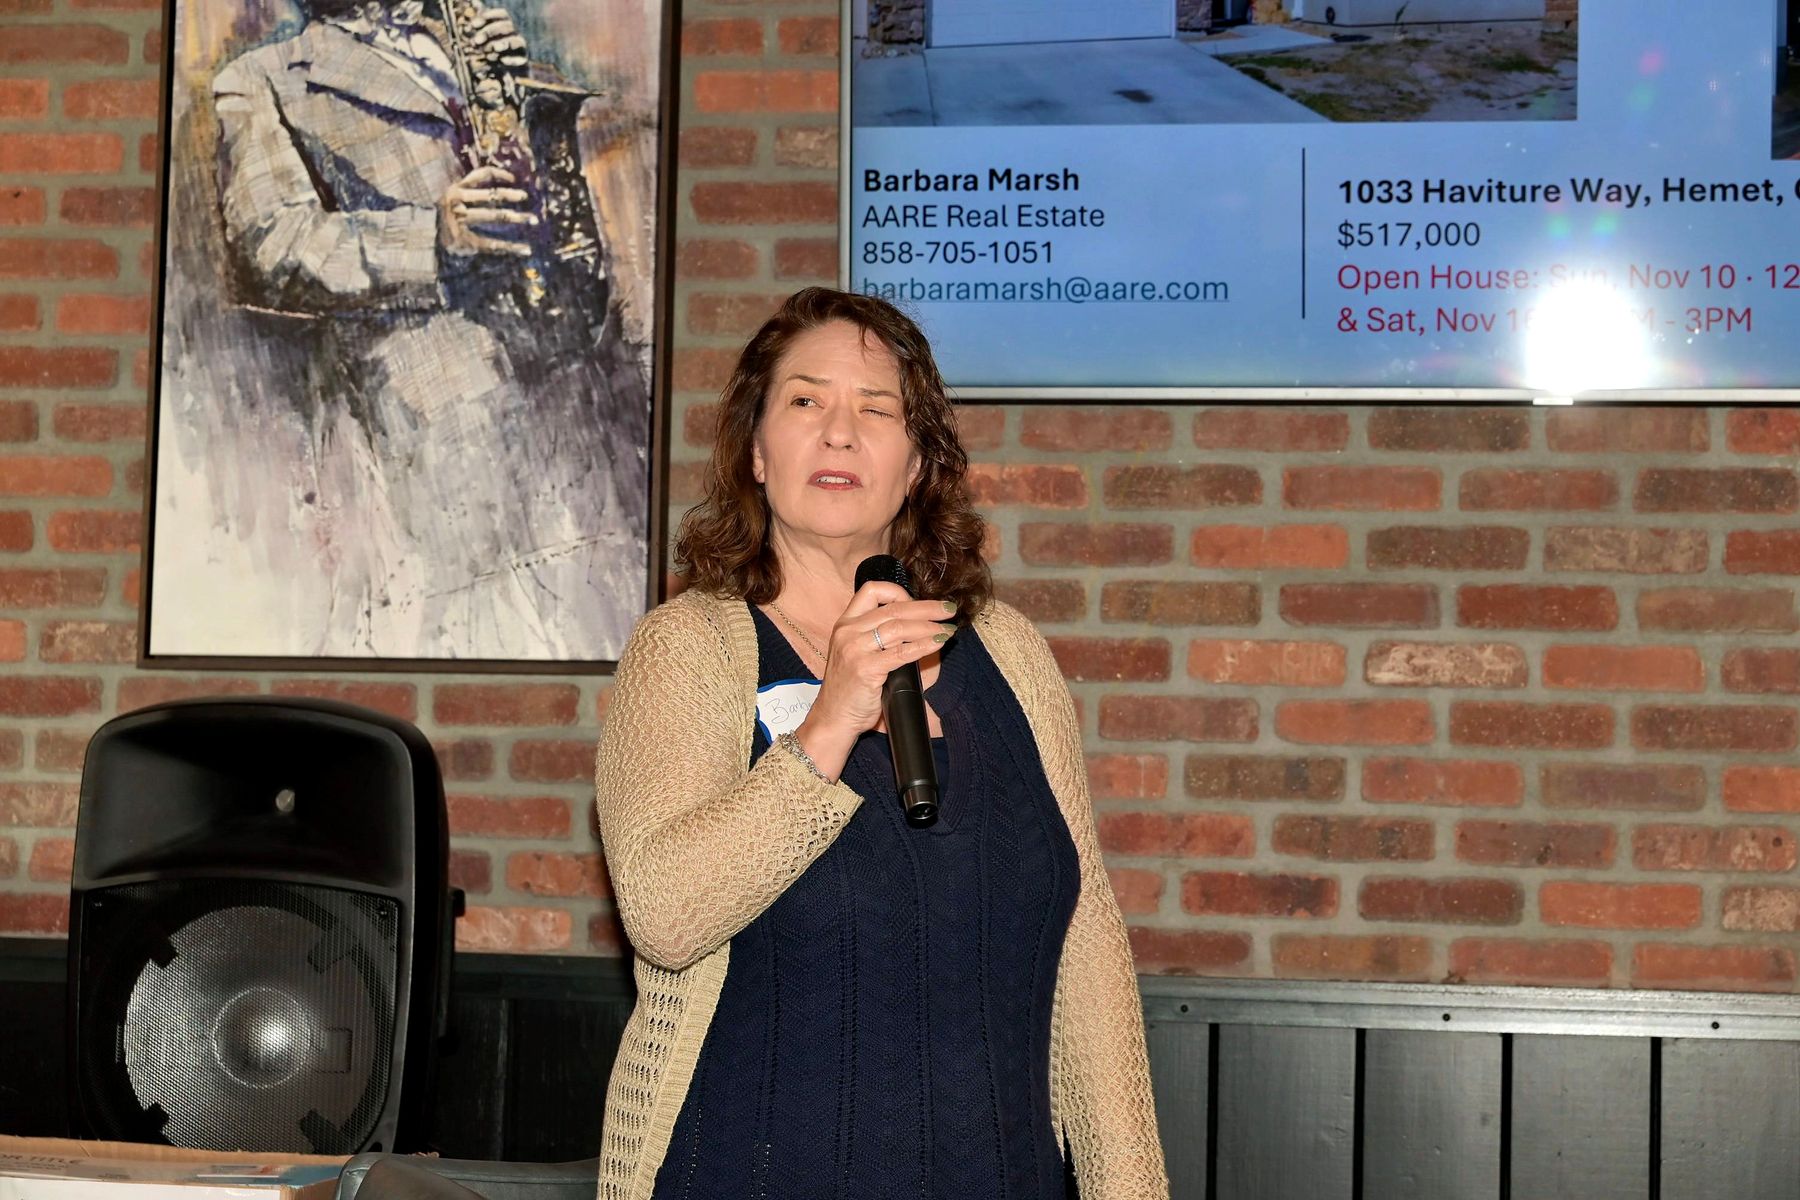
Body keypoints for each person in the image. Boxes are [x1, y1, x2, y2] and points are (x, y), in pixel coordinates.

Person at [593, 288, 1169, 1198]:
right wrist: (828, 724)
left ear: (916, 465)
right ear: (756, 452)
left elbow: (1085, 943)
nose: (839, 432)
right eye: (805, 401)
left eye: (876, 410)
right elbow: (664, 919)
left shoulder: (1008, 652)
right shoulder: (689, 649)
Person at [204, 0, 648, 660]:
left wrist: (509, 83)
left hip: (568, 339)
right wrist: (434, 236)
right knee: (495, 613)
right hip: (433, 375)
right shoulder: (259, 78)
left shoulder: (461, 38)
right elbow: (273, 246)